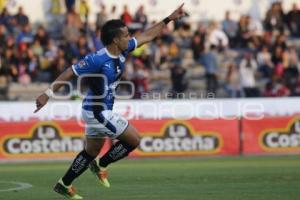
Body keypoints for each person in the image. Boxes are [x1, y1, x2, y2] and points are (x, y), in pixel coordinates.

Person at [34, 4, 185, 200]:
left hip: (95, 109)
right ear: (115, 40)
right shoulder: (97, 59)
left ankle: (64, 184)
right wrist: (47, 93)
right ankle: (101, 164)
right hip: (98, 111)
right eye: (126, 35)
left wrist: (169, 19)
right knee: (134, 139)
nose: (130, 38)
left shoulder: (124, 49)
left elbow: (147, 35)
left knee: (90, 151)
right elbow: (70, 71)